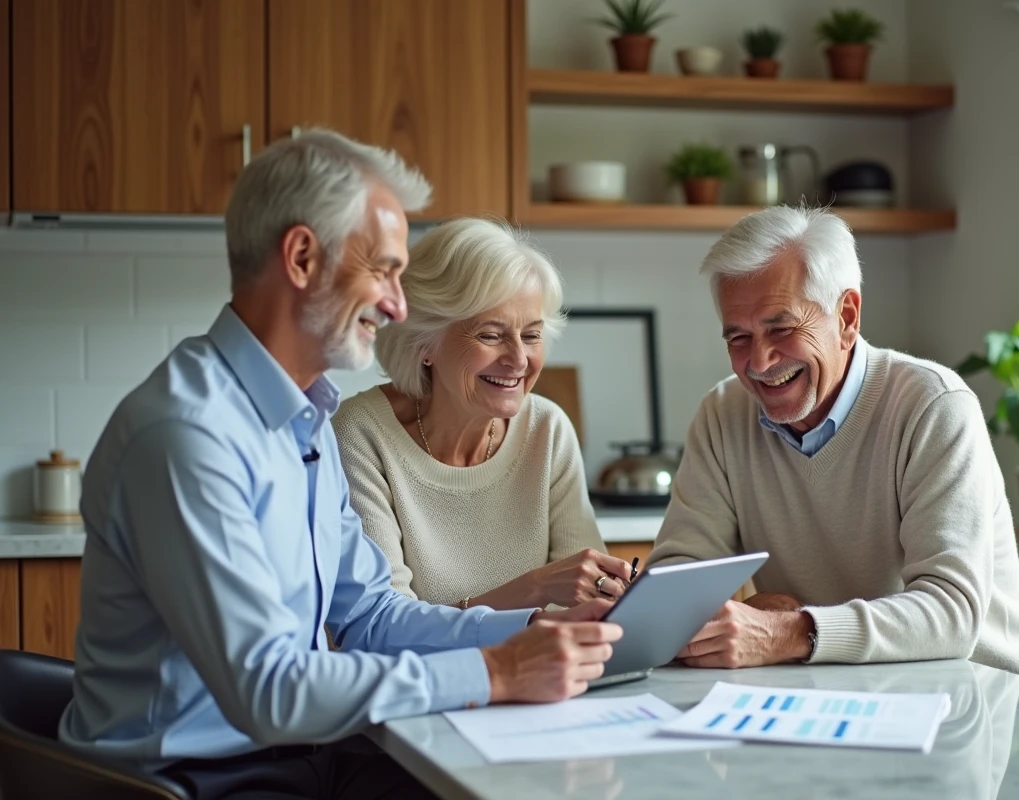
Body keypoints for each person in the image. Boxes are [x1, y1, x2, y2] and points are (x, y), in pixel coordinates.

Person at [58, 129, 621, 799]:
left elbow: (372, 618)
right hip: (188, 782)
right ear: (301, 258)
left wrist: (530, 631)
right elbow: (269, 689)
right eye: (383, 269)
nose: (398, 305)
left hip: (290, 761)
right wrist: (497, 672)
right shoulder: (188, 436)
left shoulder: (304, 421)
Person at [647, 205, 1019, 685]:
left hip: (993, 702)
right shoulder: (722, 415)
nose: (759, 361)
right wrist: (749, 616)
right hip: (846, 696)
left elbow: (951, 615)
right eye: (738, 337)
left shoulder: (934, 406)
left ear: (846, 316)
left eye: (781, 328)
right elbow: (673, 589)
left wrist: (789, 629)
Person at [332, 217, 632, 611]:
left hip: (544, 669)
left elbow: (587, 605)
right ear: (425, 341)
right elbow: (380, 627)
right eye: (490, 335)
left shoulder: (548, 429)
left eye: (532, 335)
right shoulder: (360, 434)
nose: (519, 360)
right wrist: (536, 590)